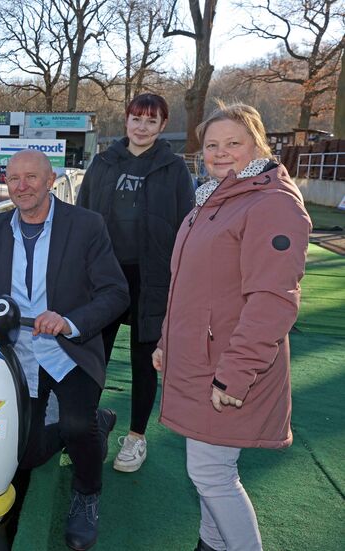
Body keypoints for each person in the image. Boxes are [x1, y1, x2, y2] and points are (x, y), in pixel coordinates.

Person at [0, 150, 129, 551]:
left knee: (76, 425)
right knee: (24, 455)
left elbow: (116, 292)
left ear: (51, 179)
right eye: (13, 178)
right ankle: (97, 425)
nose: (20, 186)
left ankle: (87, 492)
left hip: (67, 349)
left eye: (31, 178)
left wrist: (69, 321)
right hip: (14, 356)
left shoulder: (86, 225)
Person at [152, 103, 311, 551]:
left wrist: (236, 372)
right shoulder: (213, 201)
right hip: (201, 360)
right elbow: (187, 286)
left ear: (259, 144)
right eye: (212, 145)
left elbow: (272, 300)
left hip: (230, 366)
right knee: (209, 470)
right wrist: (167, 340)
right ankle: (212, 544)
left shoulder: (270, 204)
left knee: (211, 473)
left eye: (233, 143)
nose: (221, 154)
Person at [76, 93, 195, 473]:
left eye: (151, 121)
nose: (142, 127)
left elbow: (186, 225)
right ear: (125, 121)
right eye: (136, 119)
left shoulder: (174, 168)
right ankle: (86, 427)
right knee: (94, 354)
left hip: (153, 277)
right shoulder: (103, 163)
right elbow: (82, 218)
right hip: (106, 276)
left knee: (146, 359)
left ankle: (136, 437)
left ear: (162, 127)